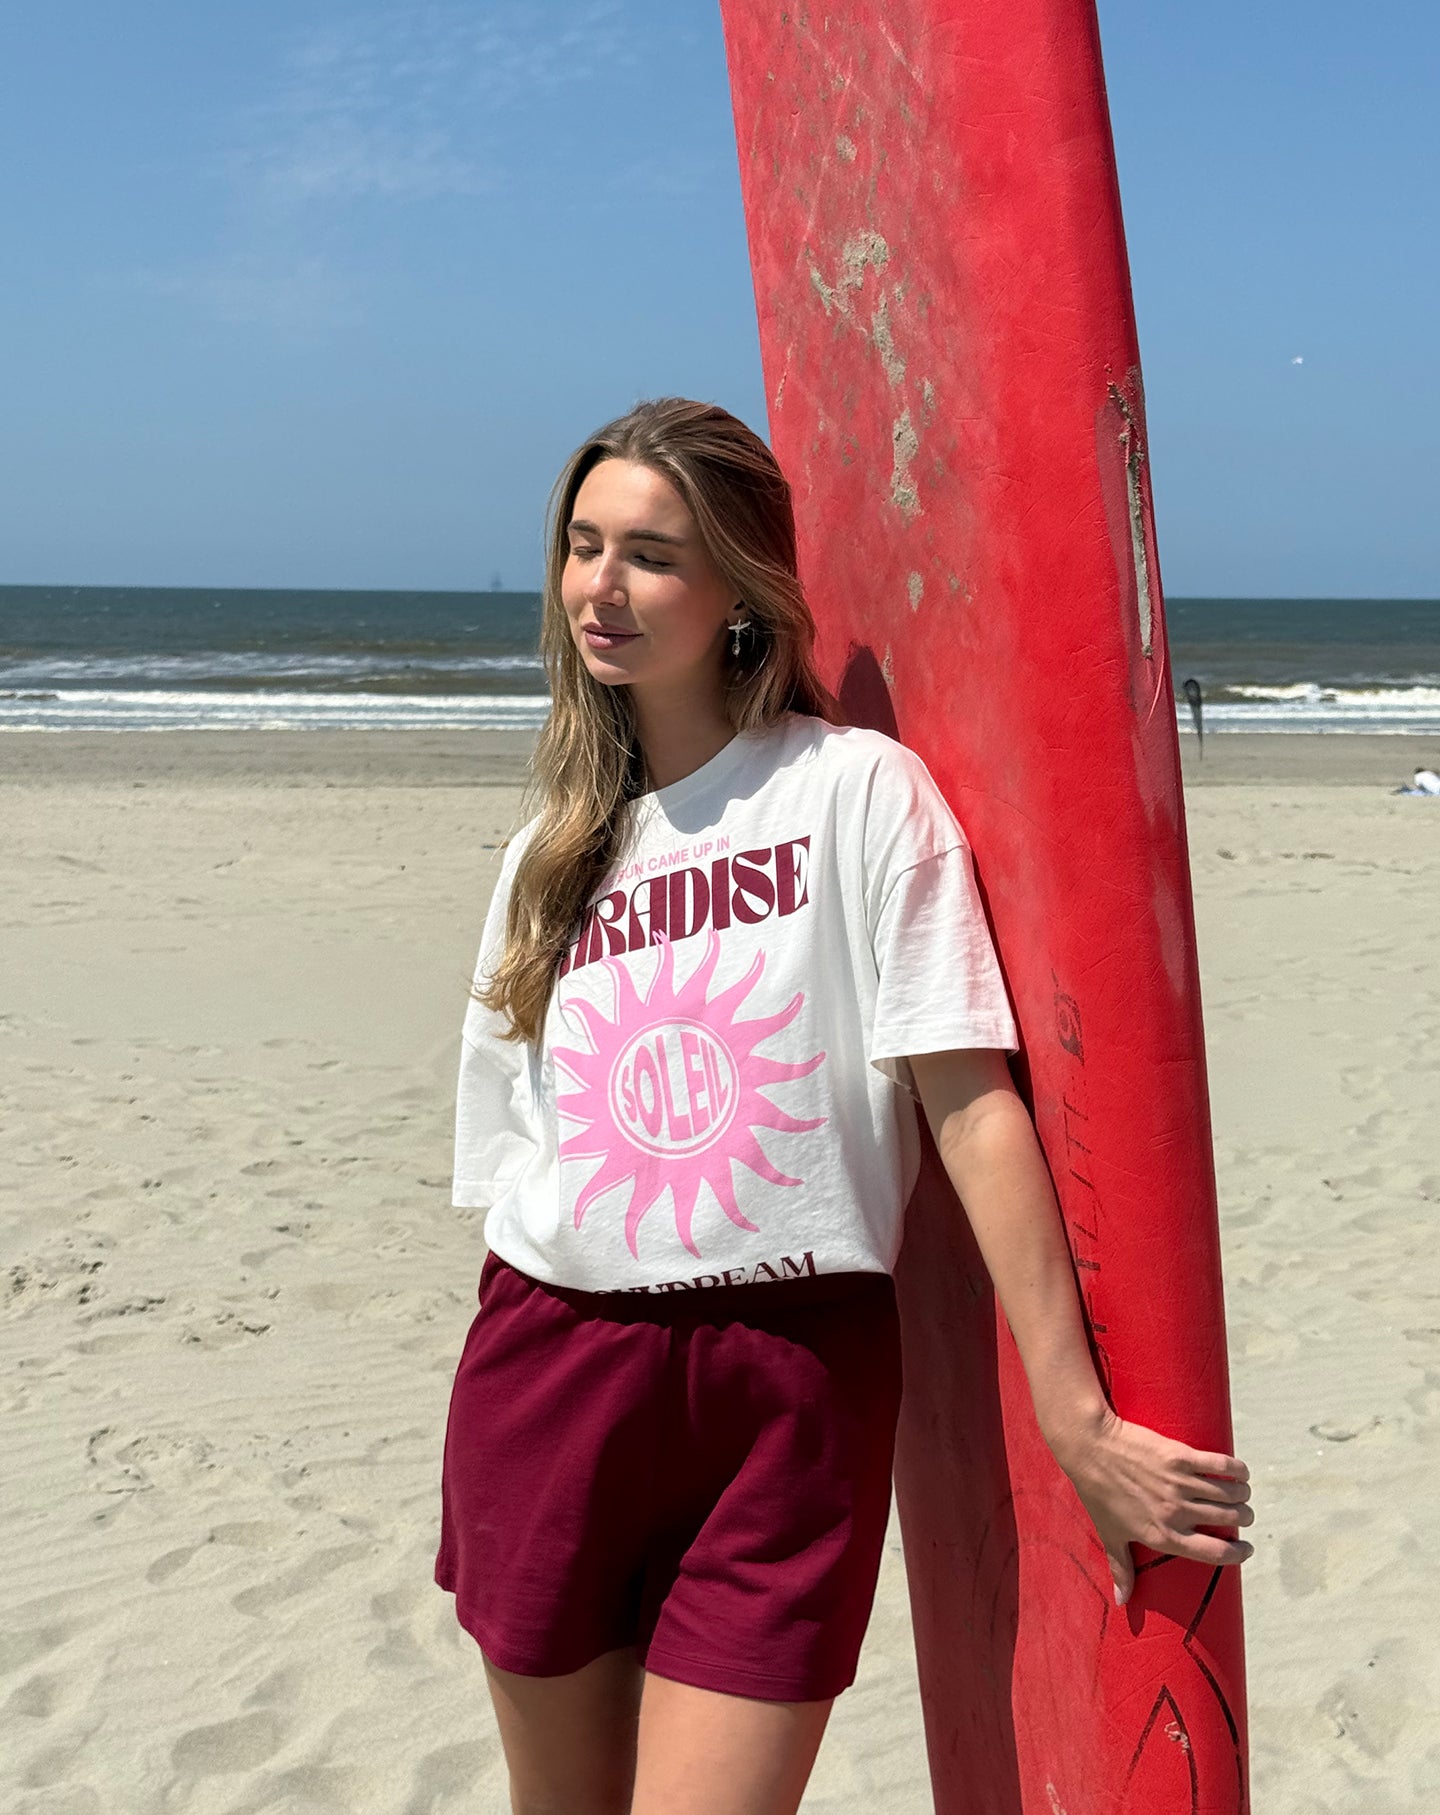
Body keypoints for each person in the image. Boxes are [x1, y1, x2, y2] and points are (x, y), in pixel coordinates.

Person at [435, 398, 1253, 1815]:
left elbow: (971, 1101)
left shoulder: (856, 792)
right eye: (582, 548)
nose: (601, 589)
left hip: (793, 1383)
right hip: (552, 1370)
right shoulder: (549, 858)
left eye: (652, 554)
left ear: (741, 590)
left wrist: (1077, 1418)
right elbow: (517, 1158)